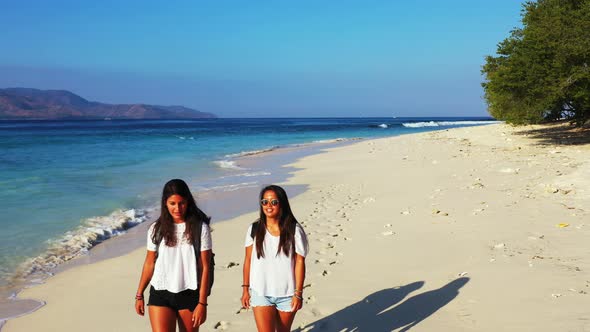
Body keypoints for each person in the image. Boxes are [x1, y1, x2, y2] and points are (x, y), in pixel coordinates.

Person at [135, 179, 212, 332]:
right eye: (172, 203)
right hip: (160, 293)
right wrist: (139, 294)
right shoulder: (156, 229)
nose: (177, 208)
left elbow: (205, 267)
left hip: (189, 294)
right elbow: (149, 263)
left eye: (181, 203)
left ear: (188, 202)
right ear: (165, 203)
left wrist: (202, 303)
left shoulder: (200, 228)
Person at [241, 185, 309, 332]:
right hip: (260, 292)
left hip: (287, 294)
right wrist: (245, 289)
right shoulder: (254, 229)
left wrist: (298, 293)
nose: (268, 206)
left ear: (282, 203)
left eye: (274, 202)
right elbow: (248, 261)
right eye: (264, 202)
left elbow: (299, 262)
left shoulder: (294, 230)